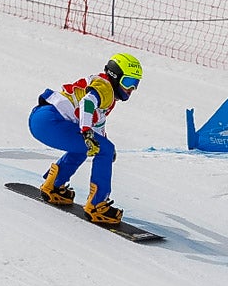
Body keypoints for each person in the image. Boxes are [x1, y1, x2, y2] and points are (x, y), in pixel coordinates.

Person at [27, 53, 143, 224]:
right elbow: (87, 103)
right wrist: (89, 133)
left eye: (135, 84)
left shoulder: (105, 89)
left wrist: (99, 139)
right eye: (128, 82)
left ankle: (54, 185)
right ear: (115, 76)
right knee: (101, 148)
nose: (131, 89)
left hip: (42, 118)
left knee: (91, 146)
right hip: (51, 121)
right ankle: (97, 205)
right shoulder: (105, 88)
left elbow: (98, 124)